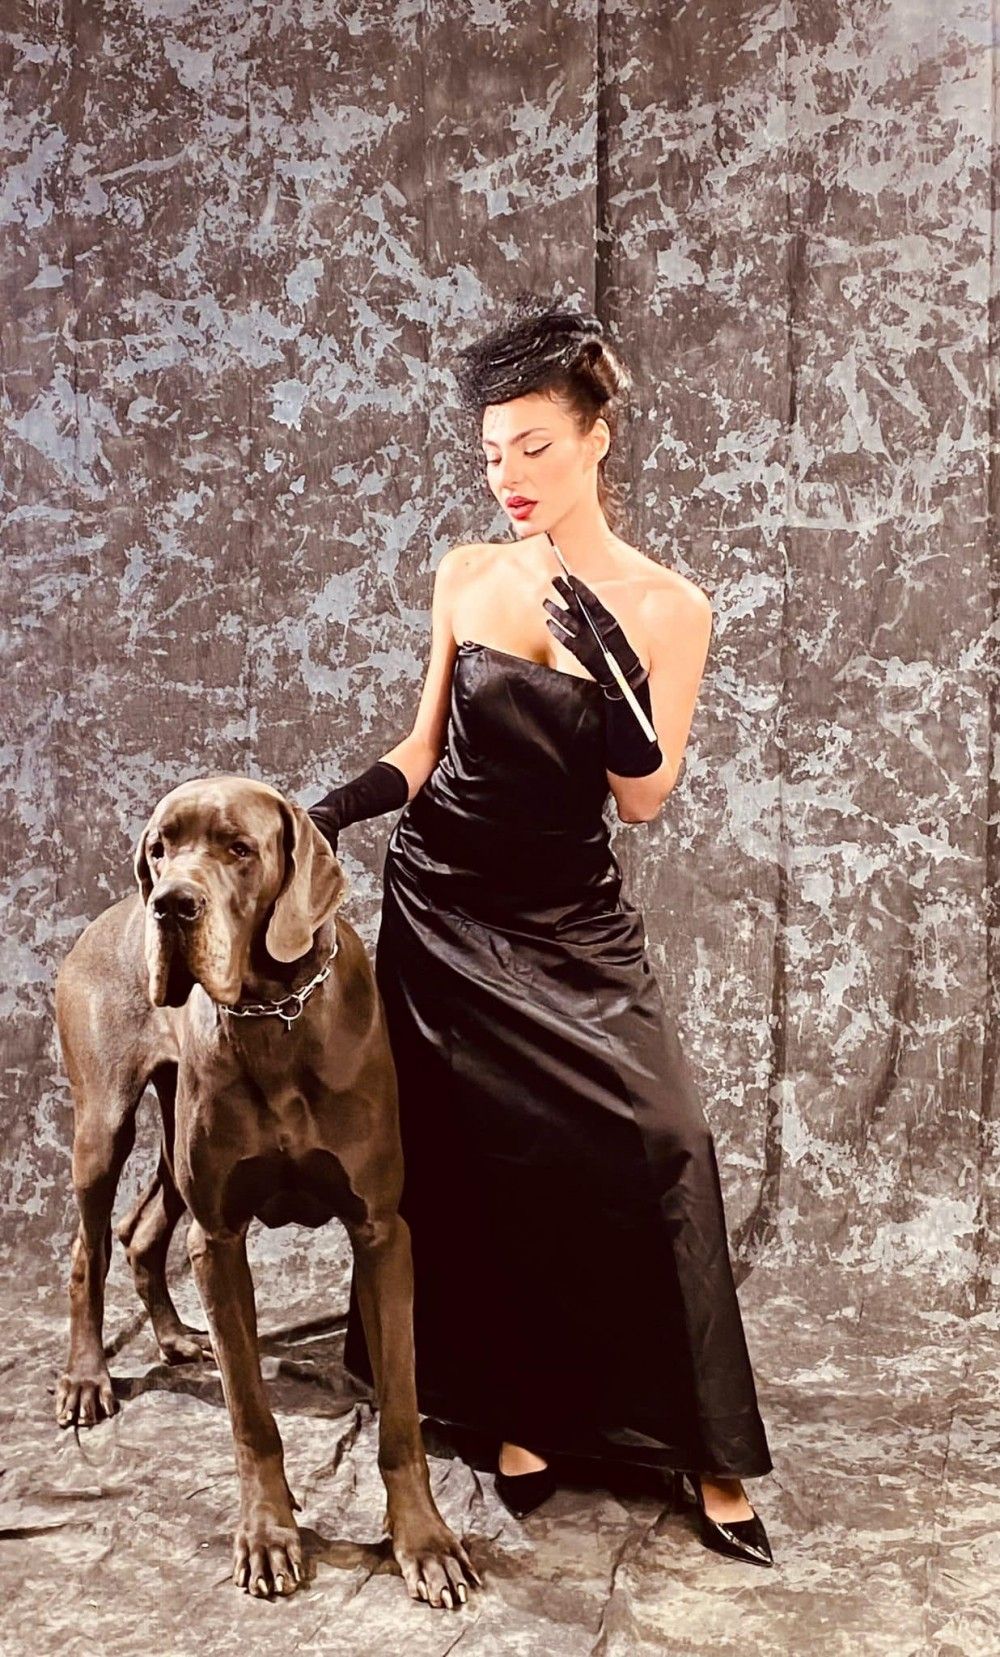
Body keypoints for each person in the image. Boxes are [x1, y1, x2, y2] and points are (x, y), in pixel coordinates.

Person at [308, 294, 775, 1567]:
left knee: (663, 1139)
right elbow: (422, 746)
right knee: (482, 1164)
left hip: (569, 919)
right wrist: (329, 811)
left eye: (533, 446)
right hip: (442, 908)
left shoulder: (671, 606)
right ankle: (515, 1414)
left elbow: (645, 798)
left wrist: (617, 678)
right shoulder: (468, 573)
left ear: (594, 440)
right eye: (489, 452)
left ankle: (707, 1449)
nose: (507, 475)